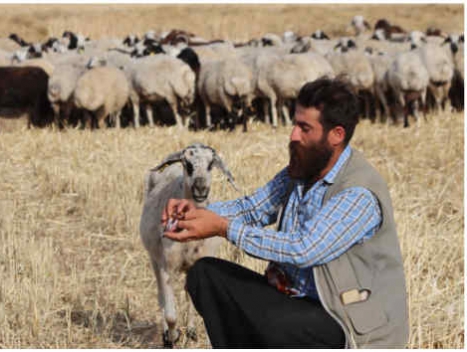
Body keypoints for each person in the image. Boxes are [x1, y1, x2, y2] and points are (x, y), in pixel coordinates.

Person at [161, 78, 408, 348]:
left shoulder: (358, 192)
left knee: (272, 323)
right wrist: (194, 212)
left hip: (340, 321)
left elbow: (304, 249)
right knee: (205, 275)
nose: (293, 135)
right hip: (291, 302)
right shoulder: (303, 170)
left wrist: (222, 227)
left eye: (305, 128)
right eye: (295, 124)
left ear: (336, 135)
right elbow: (251, 209)